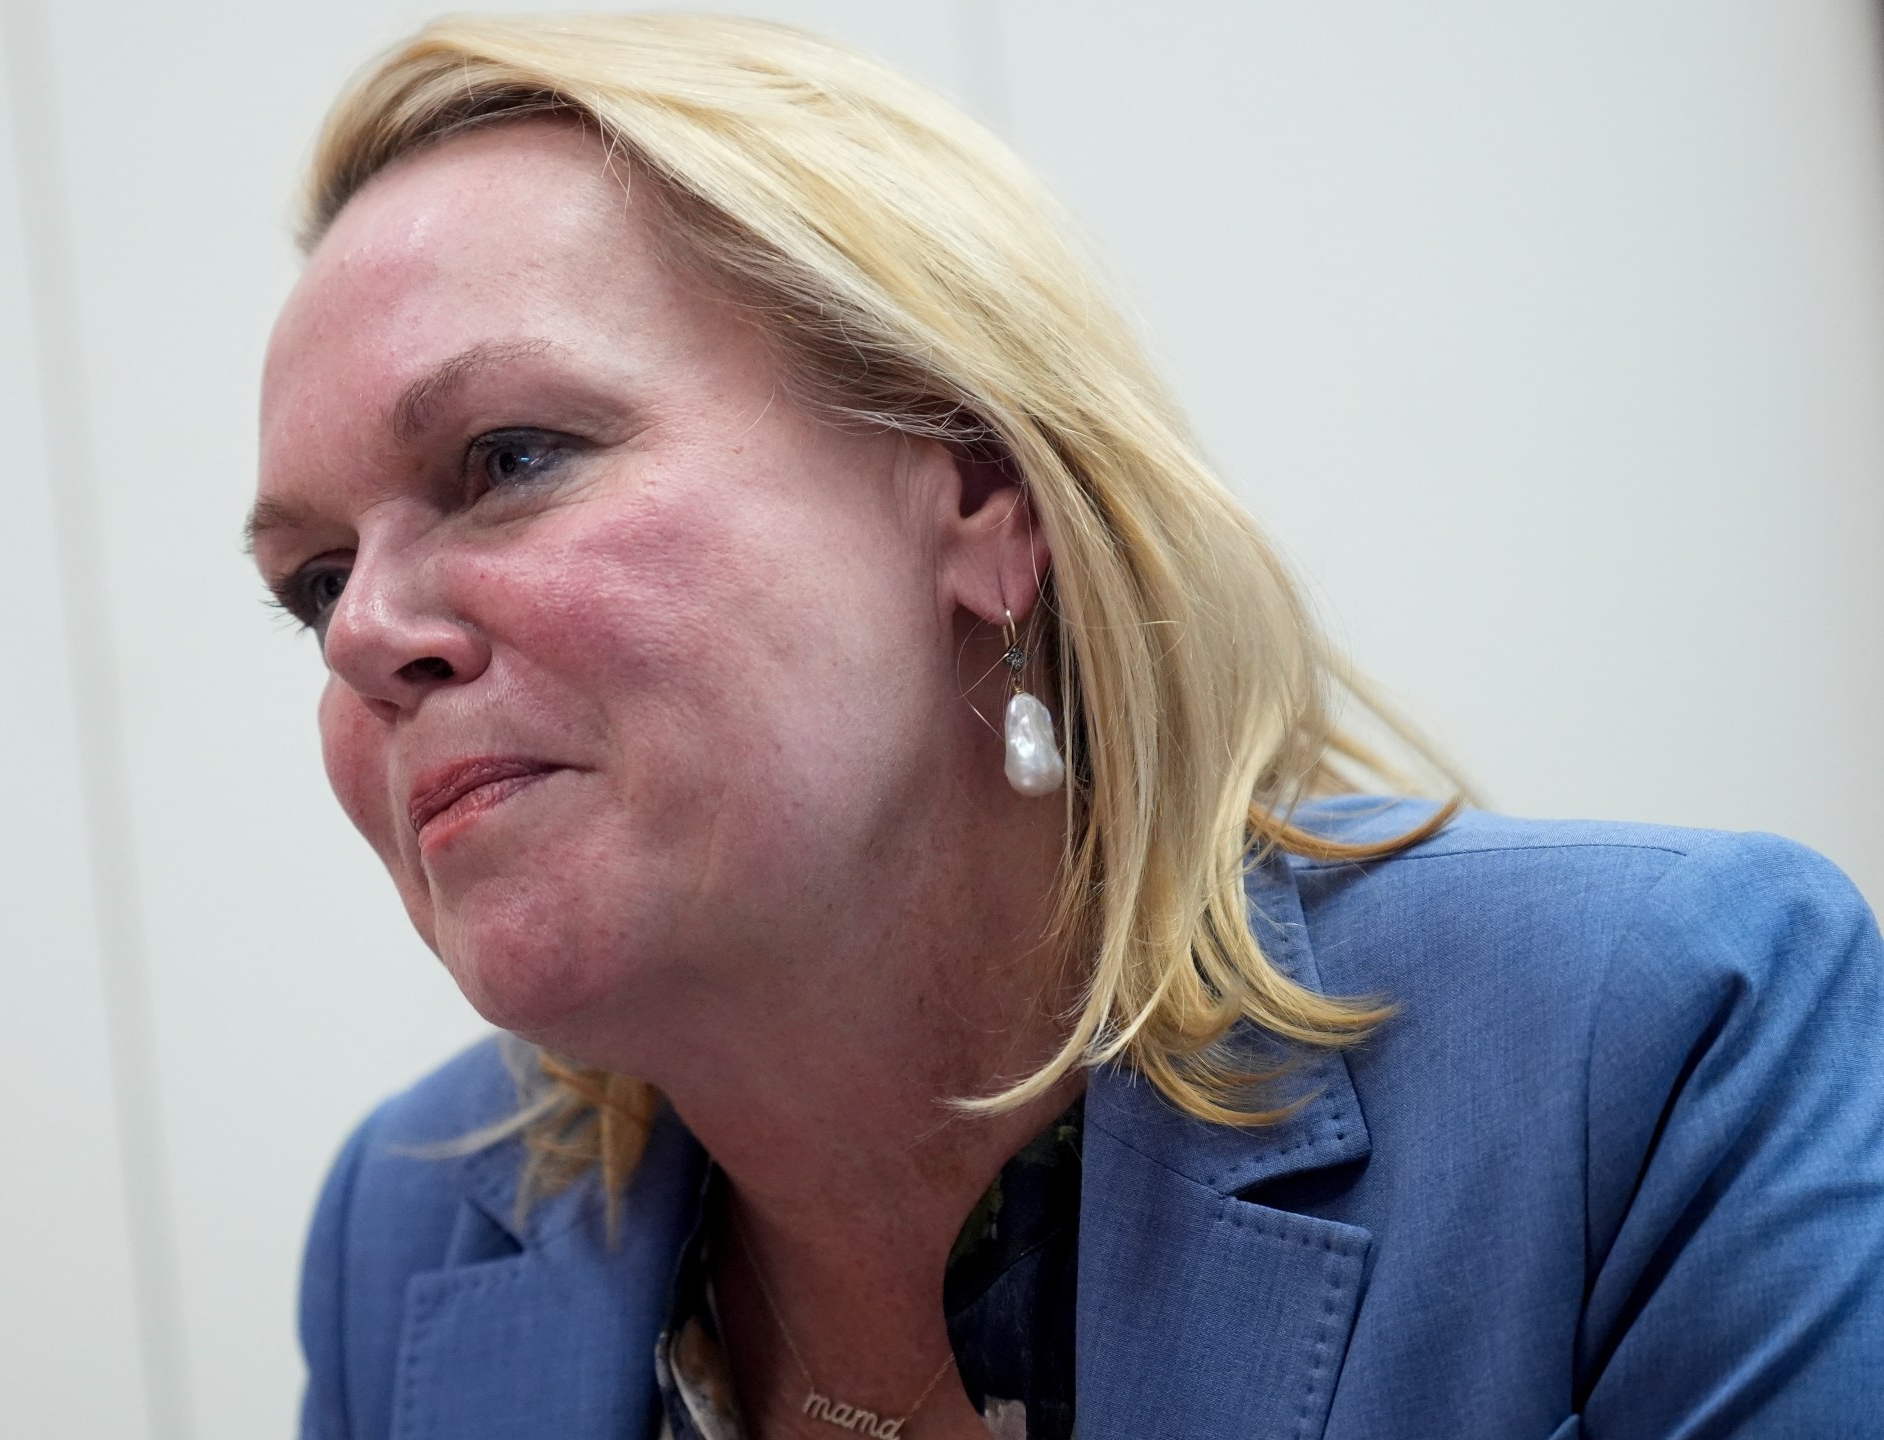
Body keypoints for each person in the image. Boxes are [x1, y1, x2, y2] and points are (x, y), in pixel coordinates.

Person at [246, 15, 1884, 1439]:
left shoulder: (1654, 1044)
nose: (371, 633)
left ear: (972, 489)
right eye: (315, 584)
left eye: (509, 456)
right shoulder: (405, 1235)